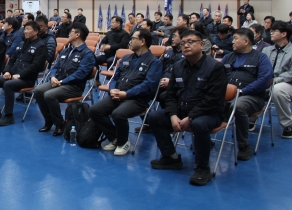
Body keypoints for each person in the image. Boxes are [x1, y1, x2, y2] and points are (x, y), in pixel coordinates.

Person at [147, 29, 227, 186]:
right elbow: (170, 95)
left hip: (209, 113)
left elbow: (213, 100)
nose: (186, 46)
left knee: (199, 124)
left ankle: (202, 168)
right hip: (183, 111)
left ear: (202, 45)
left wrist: (190, 117)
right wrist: (173, 115)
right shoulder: (178, 66)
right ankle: (171, 157)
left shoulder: (215, 68)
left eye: (191, 42)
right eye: (183, 43)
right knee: (155, 117)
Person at [89, 29, 162, 156]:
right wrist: (112, 89)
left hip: (137, 99)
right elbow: (115, 78)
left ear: (142, 41)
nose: (130, 41)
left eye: (133, 38)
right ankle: (115, 137)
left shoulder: (154, 62)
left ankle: (122, 143)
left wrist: (127, 94)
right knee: (95, 110)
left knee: (118, 114)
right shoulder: (126, 58)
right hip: (118, 95)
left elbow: (148, 85)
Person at [35, 23, 96, 136]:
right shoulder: (66, 50)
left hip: (74, 86)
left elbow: (80, 74)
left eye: (71, 32)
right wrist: (52, 77)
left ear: (77, 35)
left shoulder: (87, 54)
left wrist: (62, 82)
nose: (68, 34)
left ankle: (59, 124)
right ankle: (49, 120)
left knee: (49, 95)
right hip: (58, 82)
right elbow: (55, 66)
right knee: (38, 90)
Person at [221, 28, 273, 160]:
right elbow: (216, 75)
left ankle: (243, 146)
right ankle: (204, 139)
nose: (232, 42)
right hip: (226, 95)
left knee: (238, 106)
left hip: (251, 97)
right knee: (202, 99)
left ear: (245, 41)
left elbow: (264, 80)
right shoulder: (228, 57)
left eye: (235, 38)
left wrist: (243, 91)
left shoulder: (261, 58)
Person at [0, 21, 47, 126]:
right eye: (25, 29)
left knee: (8, 85)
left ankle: (9, 116)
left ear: (36, 31)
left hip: (27, 79)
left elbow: (36, 66)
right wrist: (7, 71)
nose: (25, 31)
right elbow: (11, 60)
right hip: (13, 75)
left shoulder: (41, 47)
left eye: (28, 29)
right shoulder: (22, 44)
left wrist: (20, 75)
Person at [263, 21, 292, 138]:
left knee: (277, 89)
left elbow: (291, 73)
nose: (271, 33)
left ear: (284, 34)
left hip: (287, 83)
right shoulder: (266, 50)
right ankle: (250, 119)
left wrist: (275, 80)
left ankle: (288, 124)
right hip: (267, 81)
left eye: (274, 31)